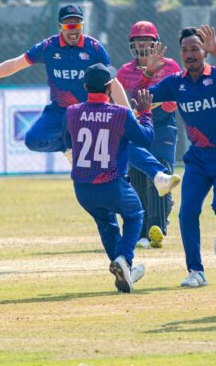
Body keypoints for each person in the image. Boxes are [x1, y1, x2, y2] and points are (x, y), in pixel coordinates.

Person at [0, 5, 181, 193]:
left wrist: (127, 114)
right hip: (60, 112)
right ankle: (68, 148)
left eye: (77, 25)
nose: (73, 30)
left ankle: (159, 176)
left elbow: (112, 82)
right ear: (60, 26)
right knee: (33, 139)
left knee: (119, 143)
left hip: (91, 111)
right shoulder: (48, 47)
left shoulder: (94, 48)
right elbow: (15, 64)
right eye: (69, 26)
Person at [139, 26, 216, 288]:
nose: (189, 54)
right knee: (187, 212)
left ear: (204, 52)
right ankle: (196, 271)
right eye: (185, 50)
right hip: (198, 159)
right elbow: (139, 99)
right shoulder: (175, 83)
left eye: (195, 49)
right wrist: (148, 74)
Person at [63, 64, 153, 293]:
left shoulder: (72, 111)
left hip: (82, 188)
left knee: (106, 223)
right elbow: (145, 139)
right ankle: (124, 259)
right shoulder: (120, 113)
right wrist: (145, 113)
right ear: (109, 88)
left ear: (85, 86)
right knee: (135, 214)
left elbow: (67, 141)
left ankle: (124, 270)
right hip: (112, 184)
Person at [117, 22, 181, 249]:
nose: (142, 45)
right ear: (131, 45)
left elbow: (177, 95)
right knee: (137, 176)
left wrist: (167, 104)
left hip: (163, 124)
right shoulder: (124, 72)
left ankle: (157, 229)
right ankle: (141, 231)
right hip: (136, 125)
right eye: (138, 41)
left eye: (147, 40)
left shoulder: (170, 66)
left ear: (156, 43)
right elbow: (121, 101)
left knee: (161, 169)